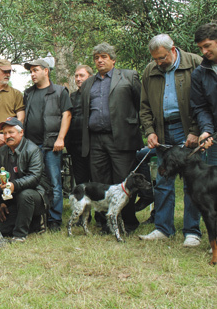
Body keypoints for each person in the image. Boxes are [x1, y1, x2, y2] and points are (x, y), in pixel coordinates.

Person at [138, 34, 203, 245]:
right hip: (163, 132)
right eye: (155, 59)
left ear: (173, 50)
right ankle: (163, 228)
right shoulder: (150, 70)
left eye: (162, 58)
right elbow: (144, 106)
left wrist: (196, 130)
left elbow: (206, 102)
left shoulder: (195, 63)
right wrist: (149, 131)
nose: (158, 62)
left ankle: (192, 232)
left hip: (190, 131)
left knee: (192, 182)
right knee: (163, 181)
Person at [81, 42, 142, 233]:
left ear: (113, 59)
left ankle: (129, 223)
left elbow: (141, 105)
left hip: (121, 139)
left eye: (104, 57)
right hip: (95, 140)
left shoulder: (128, 76)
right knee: (101, 184)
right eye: (96, 57)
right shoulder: (89, 83)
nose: (99, 60)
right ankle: (106, 224)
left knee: (124, 183)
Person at [23, 59, 72, 232]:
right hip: (31, 146)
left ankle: (54, 220)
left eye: (35, 70)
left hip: (51, 144)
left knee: (54, 183)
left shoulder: (59, 91)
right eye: (31, 71)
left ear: (46, 71)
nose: (32, 74)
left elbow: (66, 115)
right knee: (33, 181)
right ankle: (37, 218)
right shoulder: (28, 93)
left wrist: (60, 138)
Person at [0, 117, 51, 242]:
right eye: (4, 133)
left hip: (36, 195)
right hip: (13, 198)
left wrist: (14, 185)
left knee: (25, 195)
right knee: (1, 230)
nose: (7, 136)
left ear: (21, 133)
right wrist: (2, 202)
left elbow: (35, 177)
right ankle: (35, 224)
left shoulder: (33, 149)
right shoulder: (2, 152)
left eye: (11, 132)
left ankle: (20, 236)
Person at [191, 22, 217, 166]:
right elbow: (200, 107)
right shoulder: (198, 74)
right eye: (201, 48)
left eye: (207, 46)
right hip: (215, 140)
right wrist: (207, 130)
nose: (204, 52)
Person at [65, 65, 93, 186]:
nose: (78, 78)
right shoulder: (72, 96)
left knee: (95, 179)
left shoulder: (95, 94)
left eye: (82, 75)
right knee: (81, 180)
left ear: (90, 77)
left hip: (93, 145)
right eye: (76, 76)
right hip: (76, 146)